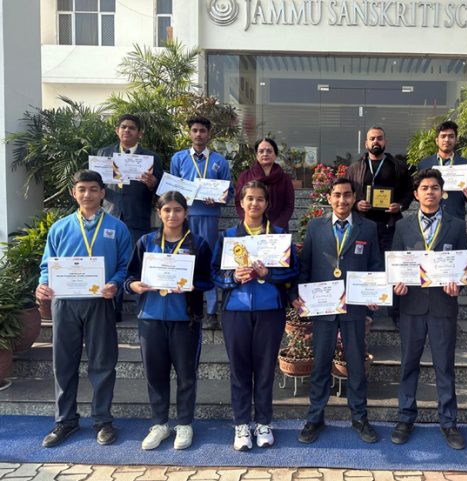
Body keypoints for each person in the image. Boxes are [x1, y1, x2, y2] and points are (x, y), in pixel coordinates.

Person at [36, 170, 132, 448]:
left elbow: (124, 267)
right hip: (64, 303)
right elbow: (47, 265)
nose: (87, 194)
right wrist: (43, 285)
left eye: (93, 189)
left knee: (103, 363)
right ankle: (65, 420)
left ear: (103, 193)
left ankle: (102, 420)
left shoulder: (117, 227)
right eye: (82, 189)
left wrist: (114, 284)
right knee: (63, 363)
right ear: (73, 193)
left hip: (100, 303)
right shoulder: (60, 228)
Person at [291, 178, 382, 445]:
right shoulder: (316, 227)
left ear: (354, 198)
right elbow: (306, 264)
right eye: (337, 195)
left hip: (354, 307)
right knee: (320, 365)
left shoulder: (368, 227)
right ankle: (315, 418)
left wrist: (372, 302)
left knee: (355, 365)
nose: (342, 200)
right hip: (323, 308)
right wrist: (299, 296)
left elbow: (375, 265)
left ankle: (360, 418)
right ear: (329, 198)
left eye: (347, 195)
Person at [212, 180, 299, 451]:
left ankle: (263, 422)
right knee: (239, 370)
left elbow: (293, 271)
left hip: (269, 311)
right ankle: (241, 425)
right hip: (236, 312)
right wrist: (232, 278)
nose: (254, 203)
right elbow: (214, 272)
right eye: (249, 198)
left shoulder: (280, 236)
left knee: (264, 370)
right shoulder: (228, 236)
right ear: (241, 202)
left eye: (260, 199)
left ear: (267, 204)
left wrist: (268, 274)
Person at [125, 191, 213, 451]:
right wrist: (135, 286)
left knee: (186, 374)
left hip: (185, 320)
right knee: (155, 374)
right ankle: (160, 423)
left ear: (185, 213)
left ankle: (184, 423)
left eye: (177, 210)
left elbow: (209, 281)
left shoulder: (198, 244)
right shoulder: (145, 242)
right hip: (151, 319)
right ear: (159, 212)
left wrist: (192, 285)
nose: (172, 215)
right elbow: (129, 278)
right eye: (167, 210)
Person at [390, 168, 467, 450]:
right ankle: (405, 418)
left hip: (443, 306)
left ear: (442, 192)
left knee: (444, 367)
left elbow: (465, 268)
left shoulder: (457, 225)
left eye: (435, 187)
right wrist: (395, 285)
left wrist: (459, 284)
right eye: (424, 188)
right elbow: (396, 264)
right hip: (411, 306)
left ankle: (448, 423)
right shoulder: (403, 226)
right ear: (416, 194)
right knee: (408, 365)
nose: (430, 192)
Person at [170, 116, 231, 324]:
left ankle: (212, 311)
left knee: (209, 259)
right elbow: (174, 188)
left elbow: (227, 191)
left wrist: (219, 200)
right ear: (190, 133)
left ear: (208, 134)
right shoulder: (178, 159)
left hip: (208, 217)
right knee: (184, 258)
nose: (198, 134)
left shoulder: (219, 161)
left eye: (202, 131)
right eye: (194, 130)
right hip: (183, 216)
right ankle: (186, 306)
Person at [98, 114, 164, 244]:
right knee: (110, 258)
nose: (127, 130)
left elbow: (161, 190)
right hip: (110, 213)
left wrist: (153, 184)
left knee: (135, 260)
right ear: (117, 131)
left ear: (140, 134)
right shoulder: (103, 153)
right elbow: (96, 182)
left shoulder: (152, 158)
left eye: (132, 128)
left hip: (137, 217)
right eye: (123, 127)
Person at [345, 126, 413, 253]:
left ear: (385, 142)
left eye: (379, 138)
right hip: (362, 223)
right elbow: (346, 193)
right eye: (372, 139)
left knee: (386, 263)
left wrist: (400, 206)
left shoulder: (398, 167)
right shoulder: (354, 169)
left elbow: (409, 191)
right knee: (362, 260)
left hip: (389, 225)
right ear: (366, 144)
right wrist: (356, 204)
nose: (376, 141)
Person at [418, 120, 467, 220]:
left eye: (451, 136)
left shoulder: (466, 164)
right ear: (437, 140)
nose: (447, 139)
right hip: (430, 218)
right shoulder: (424, 164)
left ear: (456, 140)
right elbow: (418, 192)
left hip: (456, 217)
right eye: (443, 136)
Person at [234, 138, 295, 231]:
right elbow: (239, 202)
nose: (265, 154)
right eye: (261, 151)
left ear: (275, 155)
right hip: (251, 228)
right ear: (256, 155)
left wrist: (276, 227)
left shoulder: (285, 178)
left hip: (278, 230)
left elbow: (289, 206)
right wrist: (250, 221)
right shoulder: (245, 176)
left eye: (269, 151)